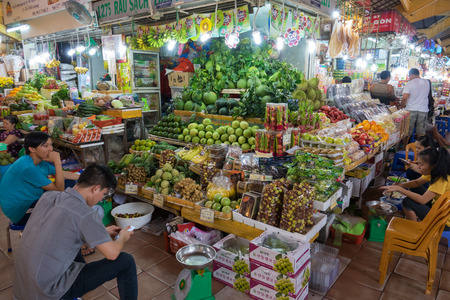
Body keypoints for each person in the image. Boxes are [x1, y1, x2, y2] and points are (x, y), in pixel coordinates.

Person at [14, 164, 137, 300]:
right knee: (126, 261)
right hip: (47, 292)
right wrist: (123, 237)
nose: (101, 199)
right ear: (95, 189)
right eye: (103, 194)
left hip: (24, 286)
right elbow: (112, 254)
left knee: (74, 248)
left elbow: (64, 230)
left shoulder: (48, 196)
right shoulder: (85, 213)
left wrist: (102, 232)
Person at [0, 131, 79, 225]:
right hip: (21, 212)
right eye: (45, 146)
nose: (51, 149)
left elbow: (61, 173)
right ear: (32, 149)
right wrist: (57, 162)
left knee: (70, 184)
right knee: (65, 204)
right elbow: (59, 189)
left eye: (51, 145)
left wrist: (83, 177)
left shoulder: (36, 161)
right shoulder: (28, 167)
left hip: (29, 200)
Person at [381, 147, 450, 222]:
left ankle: (412, 227)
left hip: (442, 219)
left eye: (421, 165)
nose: (418, 167)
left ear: (433, 165)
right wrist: (400, 185)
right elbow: (417, 182)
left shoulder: (440, 179)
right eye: (418, 164)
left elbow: (422, 200)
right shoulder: (434, 172)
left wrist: (399, 189)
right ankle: (414, 216)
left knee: (407, 202)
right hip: (437, 207)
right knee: (415, 188)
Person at [400, 68, 430, 139]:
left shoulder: (409, 83)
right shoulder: (427, 82)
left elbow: (405, 97)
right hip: (423, 109)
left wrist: (401, 106)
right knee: (421, 132)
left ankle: (405, 147)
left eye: (409, 76)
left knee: (407, 131)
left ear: (412, 75)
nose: (409, 78)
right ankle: (419, 148)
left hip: (411, 109)